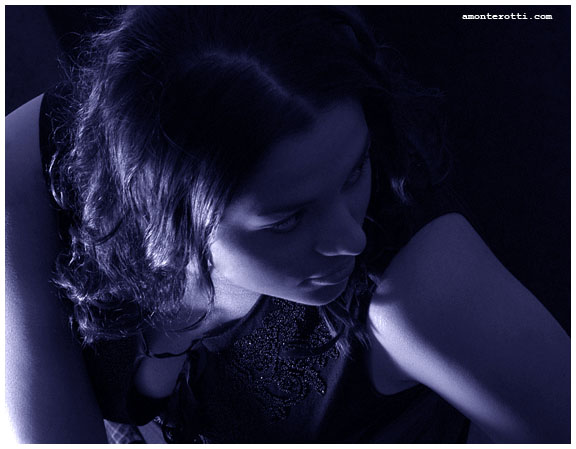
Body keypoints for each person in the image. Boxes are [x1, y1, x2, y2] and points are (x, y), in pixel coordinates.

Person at [5, 6, 570, 444]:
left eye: (355, 171)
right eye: (288, 219)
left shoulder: (419, 290)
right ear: (161, 220)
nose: (352, 238)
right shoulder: (39, 163)